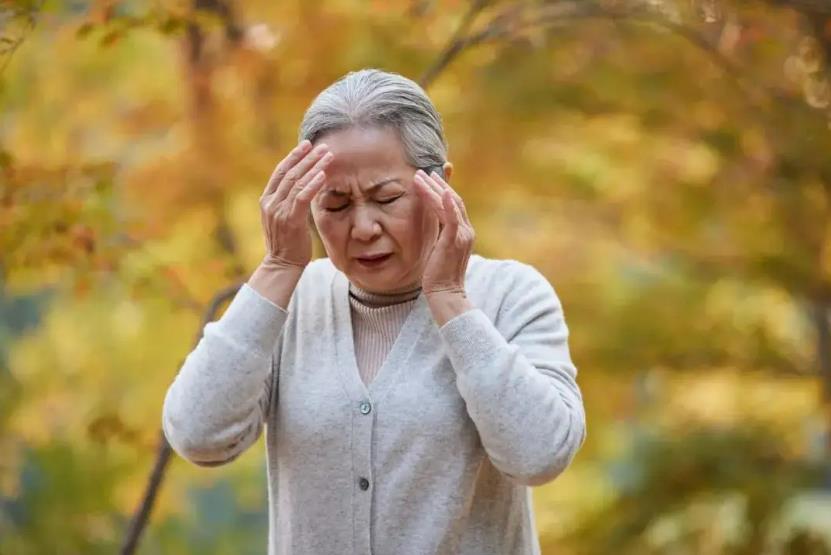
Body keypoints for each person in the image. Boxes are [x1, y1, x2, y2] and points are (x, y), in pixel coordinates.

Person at [162, 68, 587, 555]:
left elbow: (540, 455)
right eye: (335, 205)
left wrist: (450, 298)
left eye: (387, 198)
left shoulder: (512, 295)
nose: (362, 227)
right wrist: (279, 266)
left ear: (441, 186)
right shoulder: (289, 301)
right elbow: (198, 434)